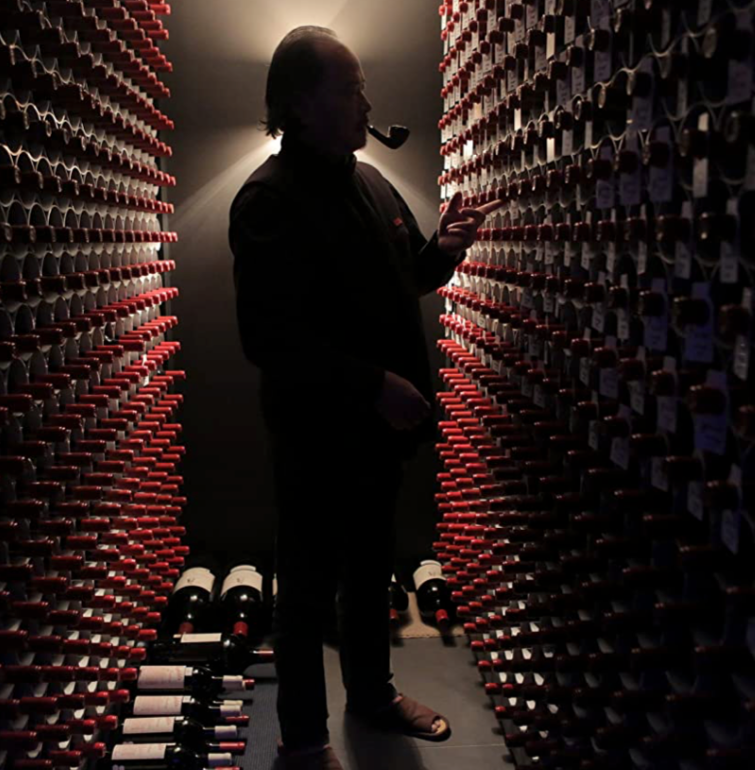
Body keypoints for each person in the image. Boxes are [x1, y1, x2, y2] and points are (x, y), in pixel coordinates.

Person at [228, 26, 503, 770]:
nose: (365, 102)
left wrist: (442, 253)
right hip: (318, 434)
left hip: (380, 432)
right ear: (299, 104)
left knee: (370, 569)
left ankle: (374, 697)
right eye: (348, 89)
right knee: (309, 585)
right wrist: (372, 383)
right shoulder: (268, 201)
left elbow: (403, 278)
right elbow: (271, 340)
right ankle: (306, 741)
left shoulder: (372, 181)